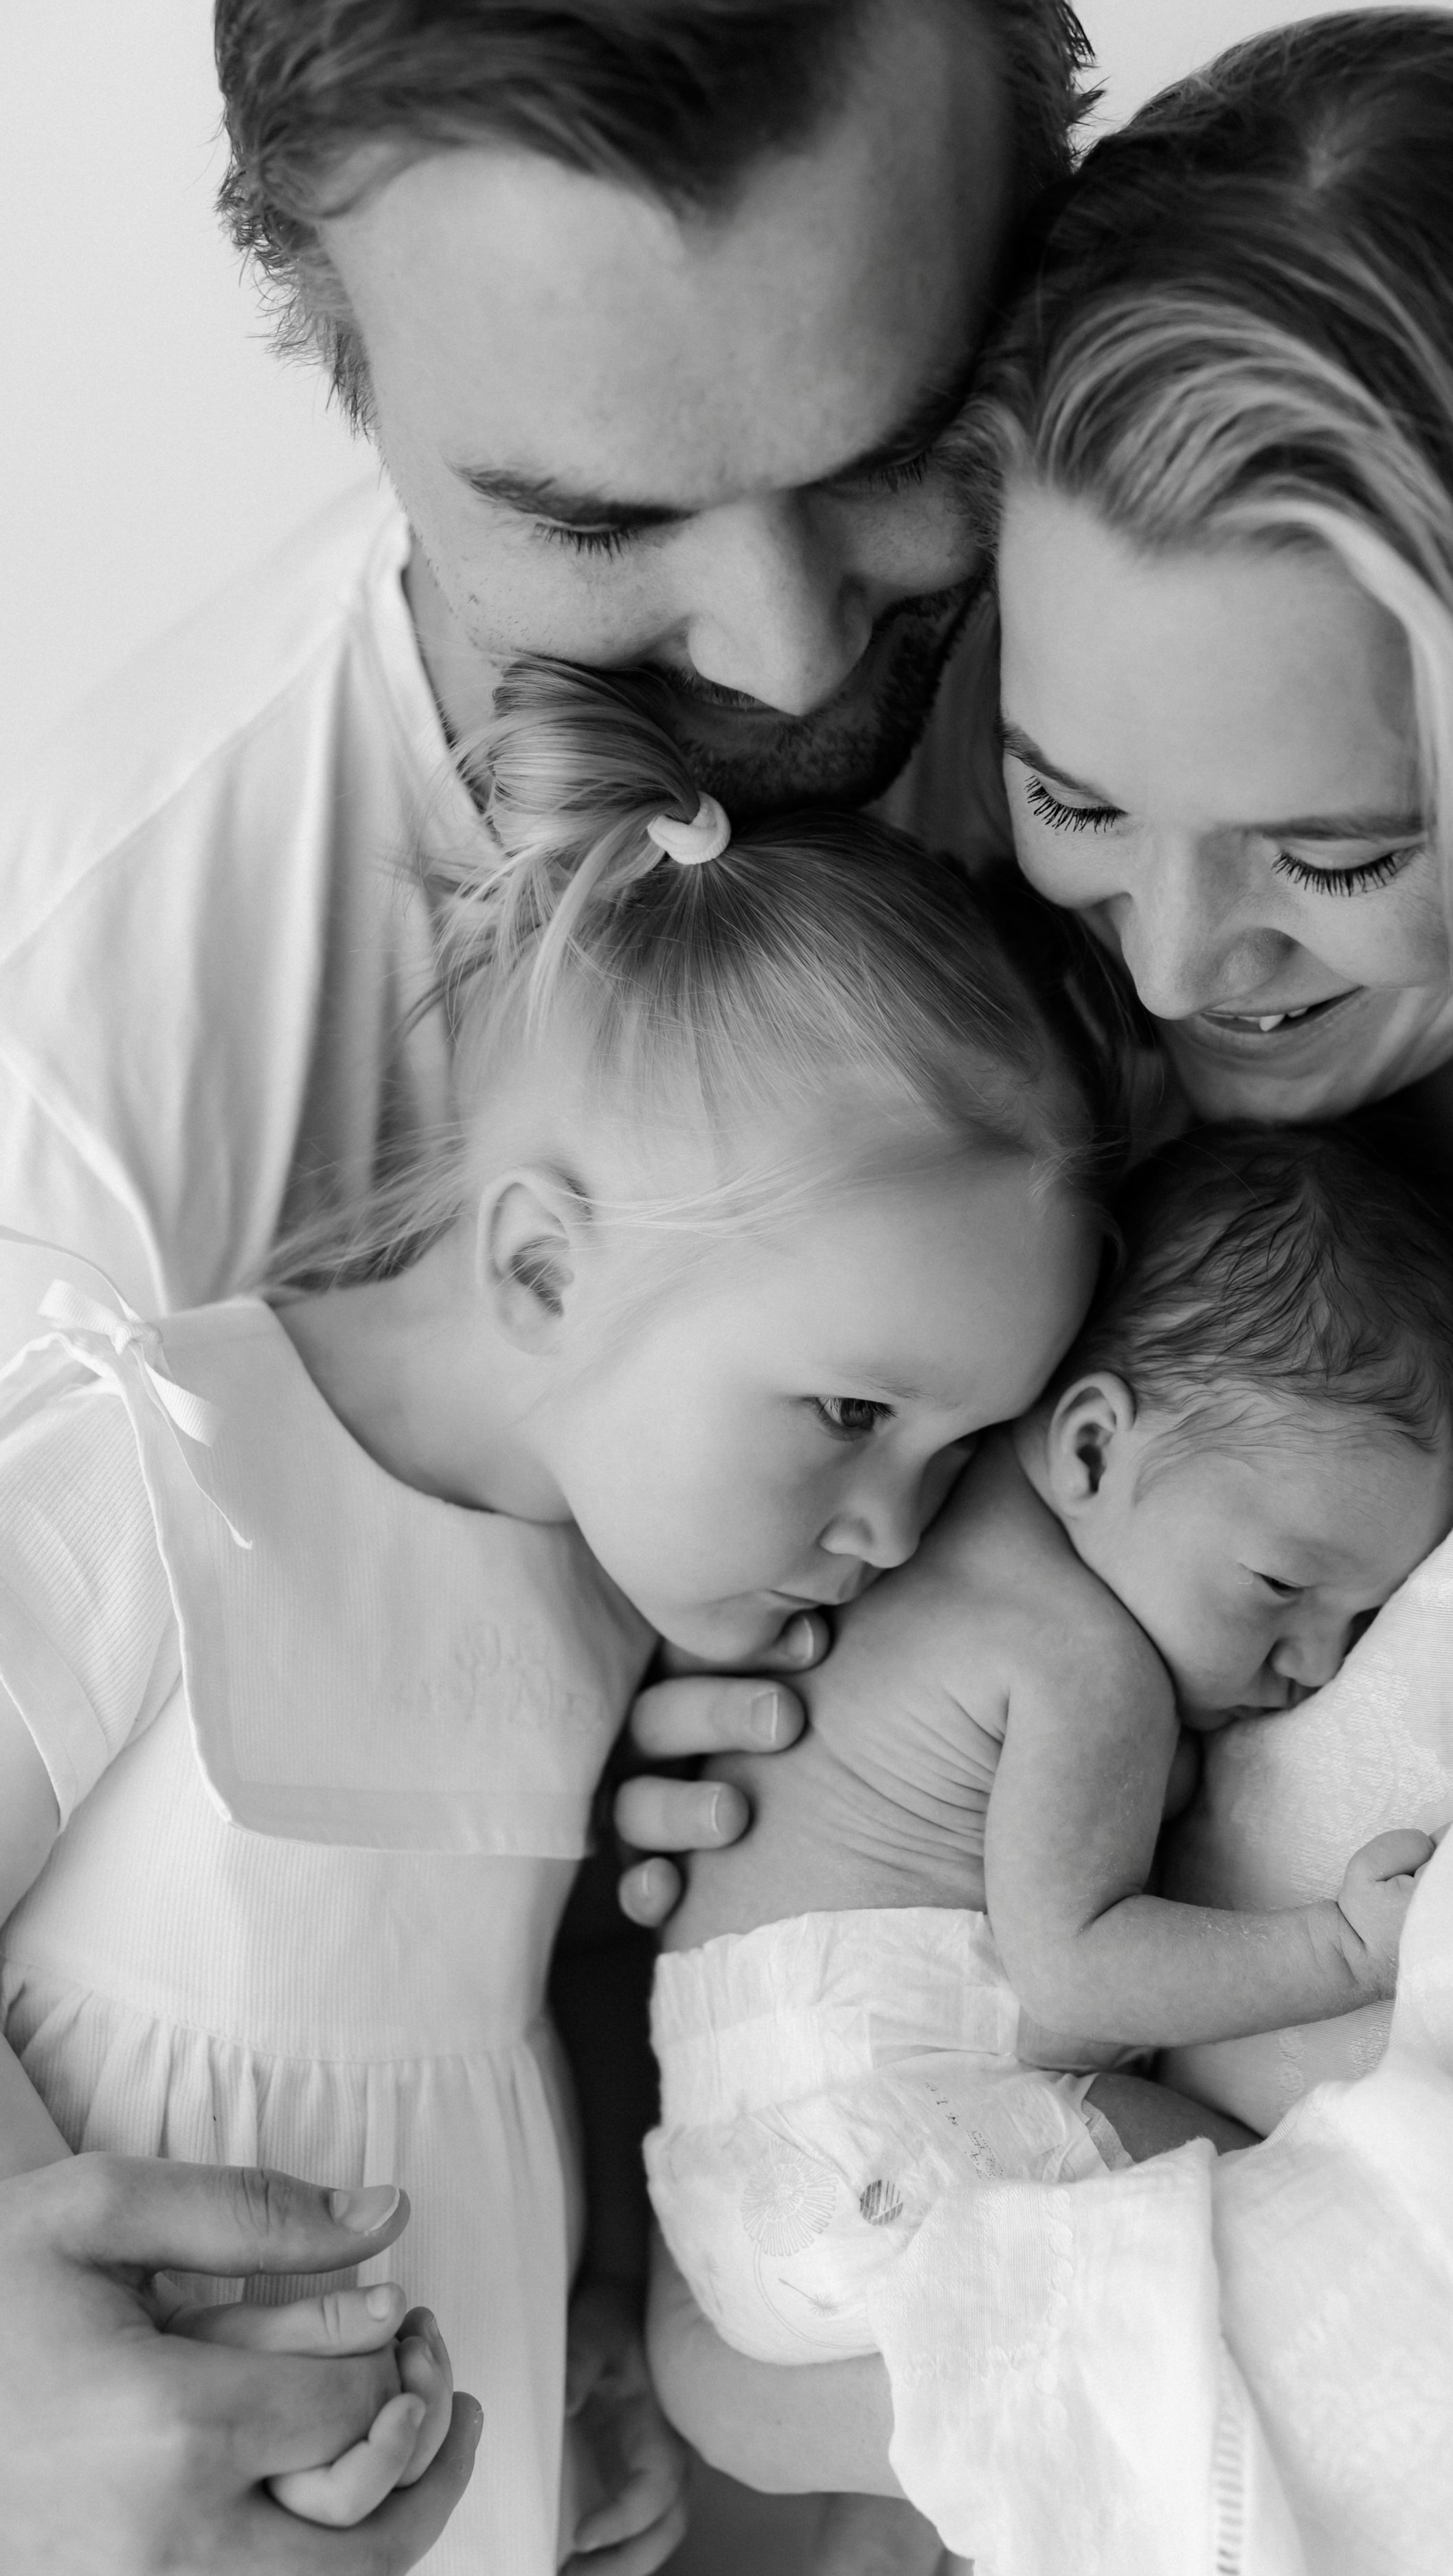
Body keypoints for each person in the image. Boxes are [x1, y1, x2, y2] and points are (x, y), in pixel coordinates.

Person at [0, 7, 1088, 2562]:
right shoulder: (91, 1080)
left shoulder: (1227, 589)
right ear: (333, 349)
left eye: (889, 449)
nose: (800, 656)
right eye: (599, 526)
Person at [644, 16, 1453, 2571]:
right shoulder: (1018, 1083)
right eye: (1083, 793)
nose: (1175, 948)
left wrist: (737, 2351)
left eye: (1331, 856)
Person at [646, 1122, 1453, 2378]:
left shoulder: (916, 1524)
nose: (1316, 1663)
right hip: (896, 2142)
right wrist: (1342, 1948)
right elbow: (1080, 1969)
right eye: (1281, 1586)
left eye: (1361, 1622)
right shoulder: (1082, 1660)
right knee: (1310, 2240)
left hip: (734, 2187)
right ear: (1094, 1445)